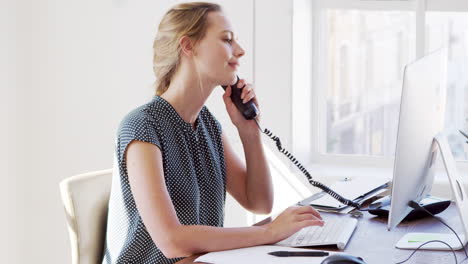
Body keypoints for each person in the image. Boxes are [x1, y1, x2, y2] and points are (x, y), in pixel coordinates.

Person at [102, 2, 324, 264]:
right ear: (188, 46)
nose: (240, 52)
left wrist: (248, 131)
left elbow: (259, 202)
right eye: (227, 40)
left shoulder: (206, 124)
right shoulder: (142, 126)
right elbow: (171, 241)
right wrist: (268, 232)